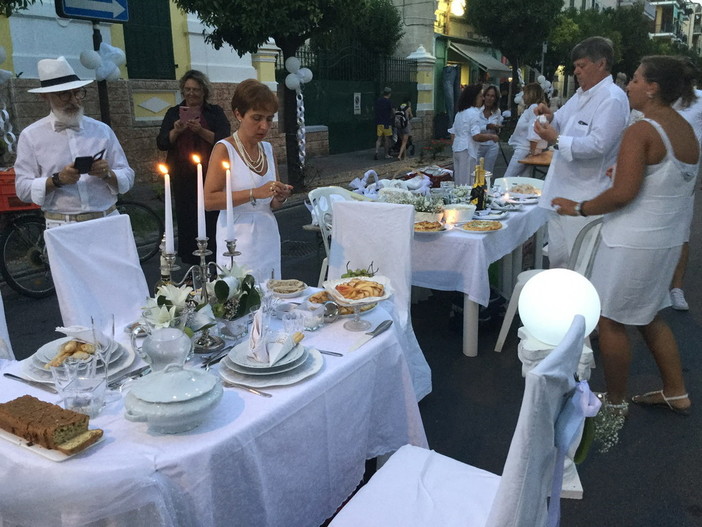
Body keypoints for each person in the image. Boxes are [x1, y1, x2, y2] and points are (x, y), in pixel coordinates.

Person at [551, 55, 698, 416]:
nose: (628, 85)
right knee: (650, 315)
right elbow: (669, 183)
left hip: (632, 242)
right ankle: (675, 390)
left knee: (612, 321)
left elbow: (622, 194)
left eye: (634, 79)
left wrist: (579, 207)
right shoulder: (685, 130)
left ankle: (614, 403)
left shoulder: (642, 130)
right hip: (664, 239)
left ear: (653, 88)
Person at [533, 36, 629, 268]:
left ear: (601, 64)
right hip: (560, 189)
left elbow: (598, 145)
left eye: (581, 66)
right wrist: (549, 116)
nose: (576, 71)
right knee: (558, 260)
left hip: (586, 196)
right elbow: (561, 120)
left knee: (581, 264)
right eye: (575, 66)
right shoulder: (580, 95)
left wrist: (554, 139)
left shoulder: (612, 99)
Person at [14, 56, 134, 228]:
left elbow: (128, 176)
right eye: (64, 94)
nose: (73, 100)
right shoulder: (31, 136)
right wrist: (58, 180)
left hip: (107, 219)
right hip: (62, 225)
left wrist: (107, 174)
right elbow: (23, 189)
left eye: (77, 92)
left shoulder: (101, 130)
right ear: (44, 96)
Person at [204, 79, 292, 282]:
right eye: (257, 118)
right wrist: (254, 192)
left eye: (269, 119)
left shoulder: (268, 150)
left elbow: (272, 202)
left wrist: (280, 196)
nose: (264, 126)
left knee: (271, 292)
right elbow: (209, 201)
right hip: (236, 238)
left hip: (267, 233)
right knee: (240, 299)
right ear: (238, 114)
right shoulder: (224, 149)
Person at [157, 70, 230, 264]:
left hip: (210, 173)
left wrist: (200, 131)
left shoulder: (215, 112)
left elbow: (224, 140)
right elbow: (163, 142)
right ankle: (191, 263)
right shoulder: (173, 112)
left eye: (196, 90)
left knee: (211, 216)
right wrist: (176, 131)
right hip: (182, 175)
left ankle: (215, 260)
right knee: (187, 217)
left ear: (204, 91)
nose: (191, 94)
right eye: (187, 89)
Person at [669, 84, 702, 311]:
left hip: (686, 174)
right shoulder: (659, 96)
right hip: (655, 171)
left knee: (681, 231)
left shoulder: (699, 100)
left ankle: (677, 287)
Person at [449, 84, 499, 186]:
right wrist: (492, 137)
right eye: (481, 96)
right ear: (474, 98)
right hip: (468, 149)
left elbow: (453, 133)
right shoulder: (474, 113)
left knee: (458, 179)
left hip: (457, 148)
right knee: (468, 180)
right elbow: (476, 136)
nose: (483, 98)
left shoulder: (460, 113)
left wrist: (455, 146)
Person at [503, 83, 546, 179]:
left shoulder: (533, 108)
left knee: (507, 178)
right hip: (527, 149)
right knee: (523, 179)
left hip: (524, 149)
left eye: (525, 93)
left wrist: (532, 150)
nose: (523, 96)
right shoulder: (537, 108)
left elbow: (534, 129)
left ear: (531, 94)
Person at [477, 85, 503, 174]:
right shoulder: (477, 110)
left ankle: (487, 187)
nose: (489, 98)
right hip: (478, 144)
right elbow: (474, 129)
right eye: (488, 95)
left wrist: (497, 129)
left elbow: (498, 127)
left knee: (488, 172)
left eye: (492, 96)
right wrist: (487, 126)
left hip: (492, 145)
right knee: (475, 171)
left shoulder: (497, 111)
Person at [374, 87, 393, 160]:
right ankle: (386, 154)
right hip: (386, 123)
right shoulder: (389, 101)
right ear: (389, 94)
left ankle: (376, 151)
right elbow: (392, 111)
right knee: (386, 139)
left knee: (379, 139)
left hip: (379, 122)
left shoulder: (378, 101)